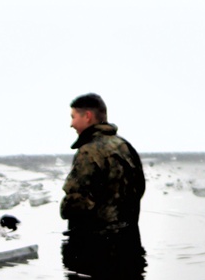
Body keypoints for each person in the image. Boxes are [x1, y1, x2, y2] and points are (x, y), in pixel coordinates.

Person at [60, 94, 145, 253]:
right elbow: (139, 188)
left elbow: (76, 202)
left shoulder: (89, 151)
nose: (71, 124)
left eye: (73, 117)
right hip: (130, 242)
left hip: (96, 248)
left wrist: (65, 209)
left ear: (87, 116)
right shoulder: (125, 147)